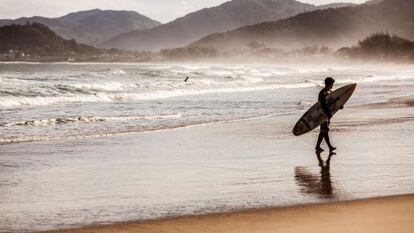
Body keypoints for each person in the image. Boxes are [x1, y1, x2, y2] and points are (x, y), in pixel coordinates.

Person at [315, 77, 338, 152]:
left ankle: (318, 147)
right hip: (322, 115)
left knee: (324, 131)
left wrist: (339, 105)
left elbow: (332, 103)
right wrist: (328, 114)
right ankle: (329, 147)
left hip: (327, 115)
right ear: (329, 84)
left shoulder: (329, 92)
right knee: (324, 130)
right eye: (332, 84)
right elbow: (323, 105)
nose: (332, 85)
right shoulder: (323, 93)